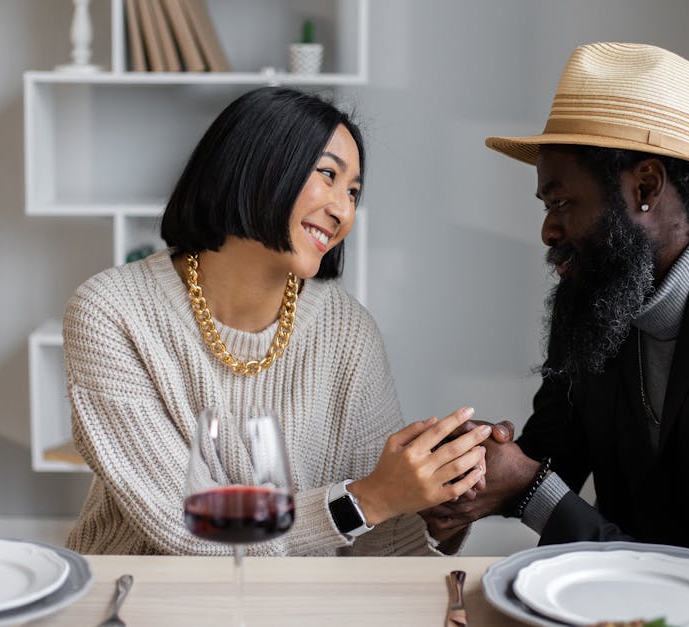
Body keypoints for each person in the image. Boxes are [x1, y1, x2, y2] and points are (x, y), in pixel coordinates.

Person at [421, 42, 689, 553]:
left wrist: (527, 488)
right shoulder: (598, 301)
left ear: (645, 186)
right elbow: (547, 456)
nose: (547, 230)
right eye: (546, 205)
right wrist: (472, 473)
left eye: (562, 202)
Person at [63, 87, 490, 556]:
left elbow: (379, 542)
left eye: (353, 192)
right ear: (254, 166)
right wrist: (370, 499)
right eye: (327, 174)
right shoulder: (112, 311)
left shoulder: (348, 332)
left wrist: (437, 507)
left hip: (292, 600)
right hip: (140, 593)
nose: (344, 211)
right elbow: (185, 530)